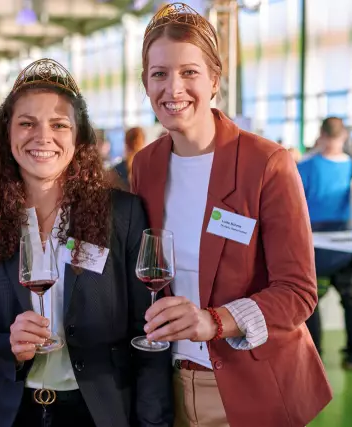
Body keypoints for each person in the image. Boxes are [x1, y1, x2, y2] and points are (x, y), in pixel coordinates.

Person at [131, 3, 332, 427]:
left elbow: (298, 292)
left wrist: (215, 320)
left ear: (215, 80)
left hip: (253, 386)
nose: (173, 88)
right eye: (159, 74)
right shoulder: (145, 165)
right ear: (146, 84)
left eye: (189, 72)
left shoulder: (267, 163)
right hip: (168, 383)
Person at [0, 58, 173, 427]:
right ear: (7, 134)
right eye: (27, 123)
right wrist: (6, 347)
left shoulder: (123, 215)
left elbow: (148, 333)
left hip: (99, 413)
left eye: (59, 125)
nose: (43, 137)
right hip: (7, 414)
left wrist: (153, 423)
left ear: (79, 138)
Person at [299, 120, 352, 370]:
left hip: (315, 247)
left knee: (311, 301)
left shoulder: (305, 167)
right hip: (350, 245)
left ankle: (314, 353)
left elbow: (295, 208)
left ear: (320, 134)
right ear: (345, 137)